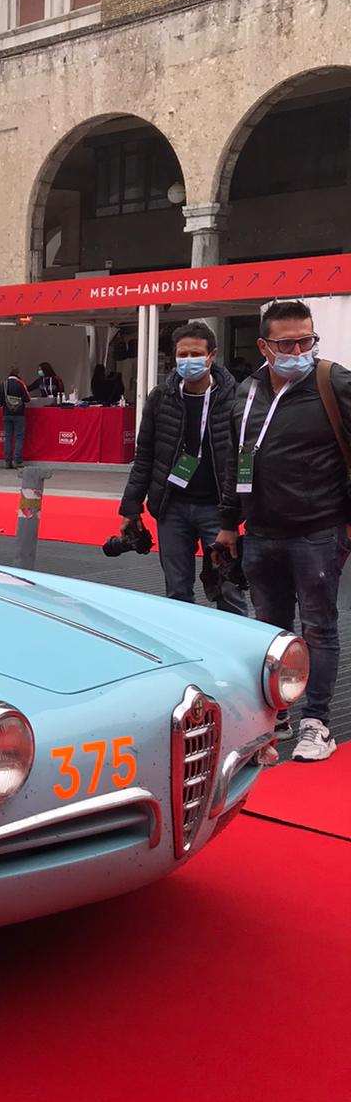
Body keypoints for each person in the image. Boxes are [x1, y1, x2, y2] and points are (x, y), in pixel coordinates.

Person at [217, 299, 351, 763]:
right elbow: (238, 460)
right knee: (270, 633)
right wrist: (227, 524)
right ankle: (273, 719)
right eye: (287, 343)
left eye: (306, 340)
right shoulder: (246, 392)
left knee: (319, 626)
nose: (298, 349)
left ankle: (318, 722)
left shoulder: (331, 381)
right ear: (263, 346)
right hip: (260, 532)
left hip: (318, 530)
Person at [118, 322, 244, 615]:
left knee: (229, 591)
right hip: (172, 507)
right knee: (176, 592)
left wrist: (236, 514)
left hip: (217, 508)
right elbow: (145, 455)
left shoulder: (235, 398)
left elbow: (243, 458)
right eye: (182, 354)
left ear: (211, 355)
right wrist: (131, 505)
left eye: (196, 353)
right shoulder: (161, 397)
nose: (189, 360)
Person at [0, 365, 29, 469]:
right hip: (19, 414)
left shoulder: (3, 385)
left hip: (6, 414)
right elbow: (27, 399)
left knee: (8, 437)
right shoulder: (20, 384)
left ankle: (7, 461)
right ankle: (17, 461)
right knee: (19, 437)